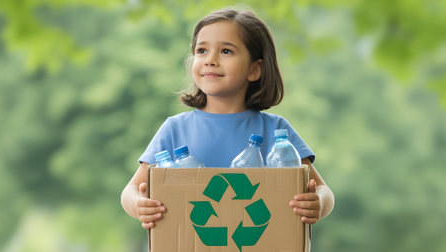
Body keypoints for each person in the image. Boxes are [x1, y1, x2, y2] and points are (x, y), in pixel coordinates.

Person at [121, 7, 334, 231]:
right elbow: (131, 191)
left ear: (255, 69)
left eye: (226, 51)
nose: (210, 60)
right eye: (201, 50)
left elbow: (324, 191)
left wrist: (318, 203)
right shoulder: (175, 129)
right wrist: (139, 205)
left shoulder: (275, 130)